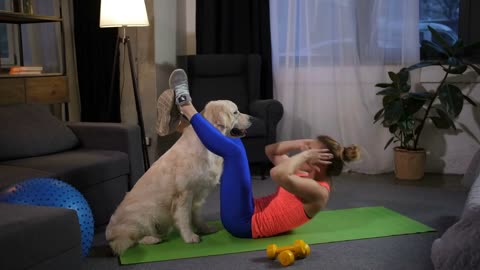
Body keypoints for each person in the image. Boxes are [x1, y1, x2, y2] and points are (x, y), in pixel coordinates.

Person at [169, 69, 361, 238]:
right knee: (236, 138)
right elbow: (271, 152)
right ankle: (186, 123)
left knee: (234, 152)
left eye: (311, 151)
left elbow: (276, 174)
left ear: (321, 163)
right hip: (248, 209)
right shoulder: (308, 173)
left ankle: (186, 107)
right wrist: (300, 143)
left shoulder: (318, 192)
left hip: (243, 224)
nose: (306, 151)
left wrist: (302, 157)